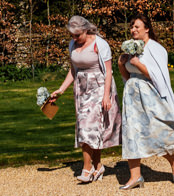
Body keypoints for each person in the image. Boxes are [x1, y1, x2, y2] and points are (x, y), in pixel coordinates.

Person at [116, 16, 174, 189]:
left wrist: (138, 64)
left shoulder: (156, 48)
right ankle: (135, 177)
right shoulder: (130, 50)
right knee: (131, 134)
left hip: (150, 96)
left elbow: (159, 77)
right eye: (131, 27)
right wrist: (122, 64)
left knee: (156, 132)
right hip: (132, 96)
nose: (133, 29)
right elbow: (128, 77)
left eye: (136, 26)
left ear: (147, 28)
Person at [47, 16, 120, 183]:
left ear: (86, 30)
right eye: (72, 35)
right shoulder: (72, 44)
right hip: (81, 88)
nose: (74, 38)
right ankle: (98, 165)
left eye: (77, 35)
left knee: (86, 126)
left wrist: (106, 95)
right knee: (90, 128)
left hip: (99, 86)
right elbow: (73, 70)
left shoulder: (100, 44)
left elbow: (108, 71)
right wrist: (61, 89)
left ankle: (86, 169)